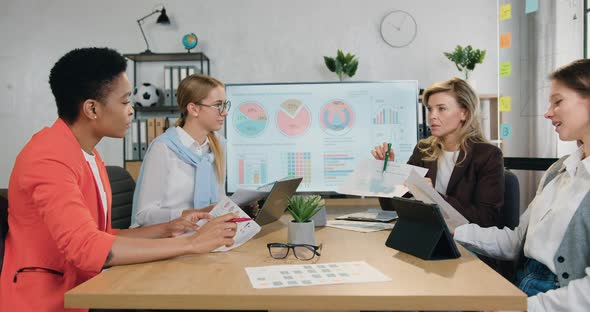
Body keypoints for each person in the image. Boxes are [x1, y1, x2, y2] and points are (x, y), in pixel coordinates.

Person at [0, 47, 238, 312]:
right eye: (125, 102)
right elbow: (87, 248)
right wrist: (191, 243)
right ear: (92, 108)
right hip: (46, 302)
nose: (132, 110)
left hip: (87, 292)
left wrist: (168, 227)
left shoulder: (88, 155)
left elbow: (100, 236)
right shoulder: (48, 159)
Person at [454, 59, 590, 311]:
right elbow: (517, 242)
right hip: (520, 284)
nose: (548, 112)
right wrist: (453, 230)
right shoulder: (558, 171)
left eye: (558, 101)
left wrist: (523, 307)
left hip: (553, 299)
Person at [372, 77, 504, 227]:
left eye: (441, 108)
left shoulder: (488, 155)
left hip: (464, 242)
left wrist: (433, 197)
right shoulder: (423, 150)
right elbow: (392, 208)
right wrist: (388, 173)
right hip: (426, 233)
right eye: (430, 109)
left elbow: (486, 219)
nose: (432, 116)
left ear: (464, 113)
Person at [131, 74, 259, 227]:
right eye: (218, 105)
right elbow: (144, 215)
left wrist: (236, 208)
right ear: (194, 109)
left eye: (225, 105)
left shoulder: (218, 146)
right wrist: (189, 215)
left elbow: (218, 201)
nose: (225, 112)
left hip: (205, 234)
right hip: (170, 239)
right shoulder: (163, 149)